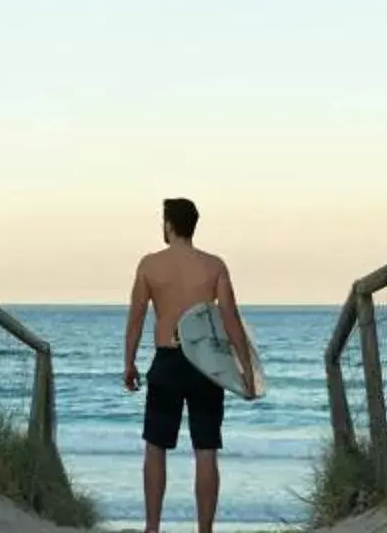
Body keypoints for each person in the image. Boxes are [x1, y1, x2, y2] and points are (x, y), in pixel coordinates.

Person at [121, 196, 258, 533]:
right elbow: (231, 321)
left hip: (167, 360)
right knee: (206, 448)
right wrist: (248, 372)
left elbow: (136, 318)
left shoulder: (150, 265)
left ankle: (152, 528)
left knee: (155, 447)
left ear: (168, 225)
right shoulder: (214, 266)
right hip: (206, 363)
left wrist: (129, 363)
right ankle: (205, 531)